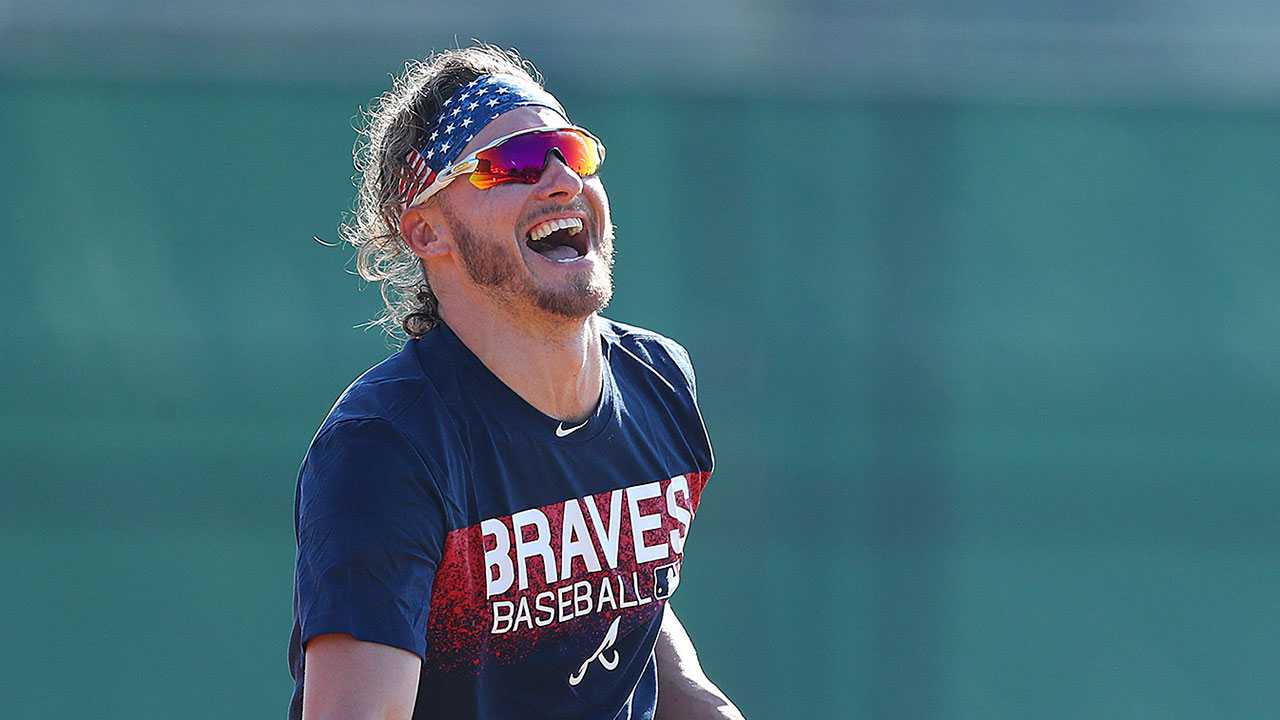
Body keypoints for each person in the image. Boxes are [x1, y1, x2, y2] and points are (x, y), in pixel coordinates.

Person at [288, 44, 746, 720]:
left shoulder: (658, 386)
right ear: (427, 231)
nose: (562, 179)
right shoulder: (385, 448)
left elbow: (626, 611)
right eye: (515, 164)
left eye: (571, 151)